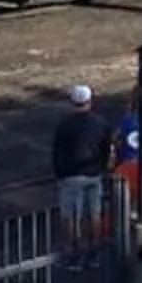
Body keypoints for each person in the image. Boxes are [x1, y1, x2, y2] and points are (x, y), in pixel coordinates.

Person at [50, 84, 113, 264]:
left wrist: (60, 173)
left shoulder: (64, 125)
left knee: (71, 216)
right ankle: (95, 251)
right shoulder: (100, 123)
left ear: (72, 103)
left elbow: (57, 151)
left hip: (71, 175)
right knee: (94, 213)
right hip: (93, 173)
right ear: (89, 101)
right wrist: (103, 166)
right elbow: (107, 147)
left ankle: (74, 253)